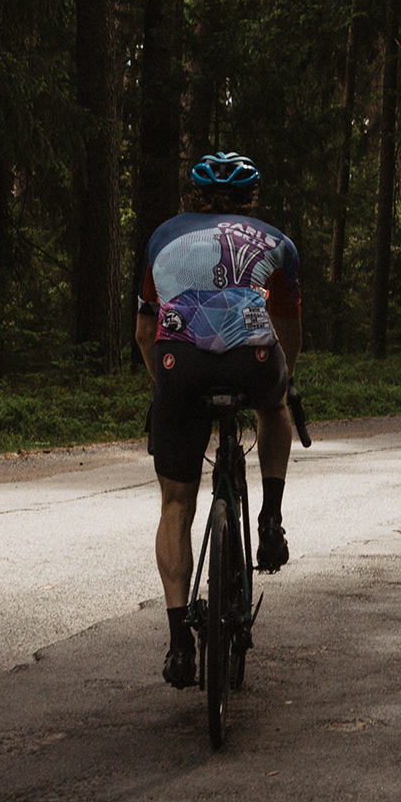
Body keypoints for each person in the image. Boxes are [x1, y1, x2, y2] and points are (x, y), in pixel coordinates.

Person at [134, 153, 301, 689]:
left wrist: (166, 386)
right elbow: (288, 330)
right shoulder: (277, 242)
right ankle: (270, 521)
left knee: (175, 505)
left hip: (177, 364)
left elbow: (144, 333)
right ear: (250, 200)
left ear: (195, 198)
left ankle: (180, 644)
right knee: (274, 406)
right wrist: (282, 380)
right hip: (253, 360)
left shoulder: (162, 238)